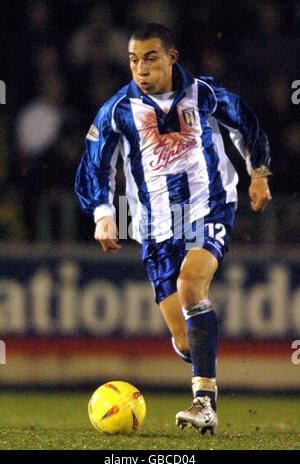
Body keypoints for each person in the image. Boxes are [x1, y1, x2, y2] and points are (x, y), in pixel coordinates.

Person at [75, 23, 272, 435]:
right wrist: (103, 214)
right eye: (133, 60)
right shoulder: (118, 109)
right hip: (155, 227)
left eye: (150, 58)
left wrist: (258, 173)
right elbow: (95, 163)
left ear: (171, 57)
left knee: (190, 287)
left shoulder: (203, 94)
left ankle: (204, 402)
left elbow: (246, 123)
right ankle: (200, 349)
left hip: (209, 207)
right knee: (185, 340)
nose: (141, 69)